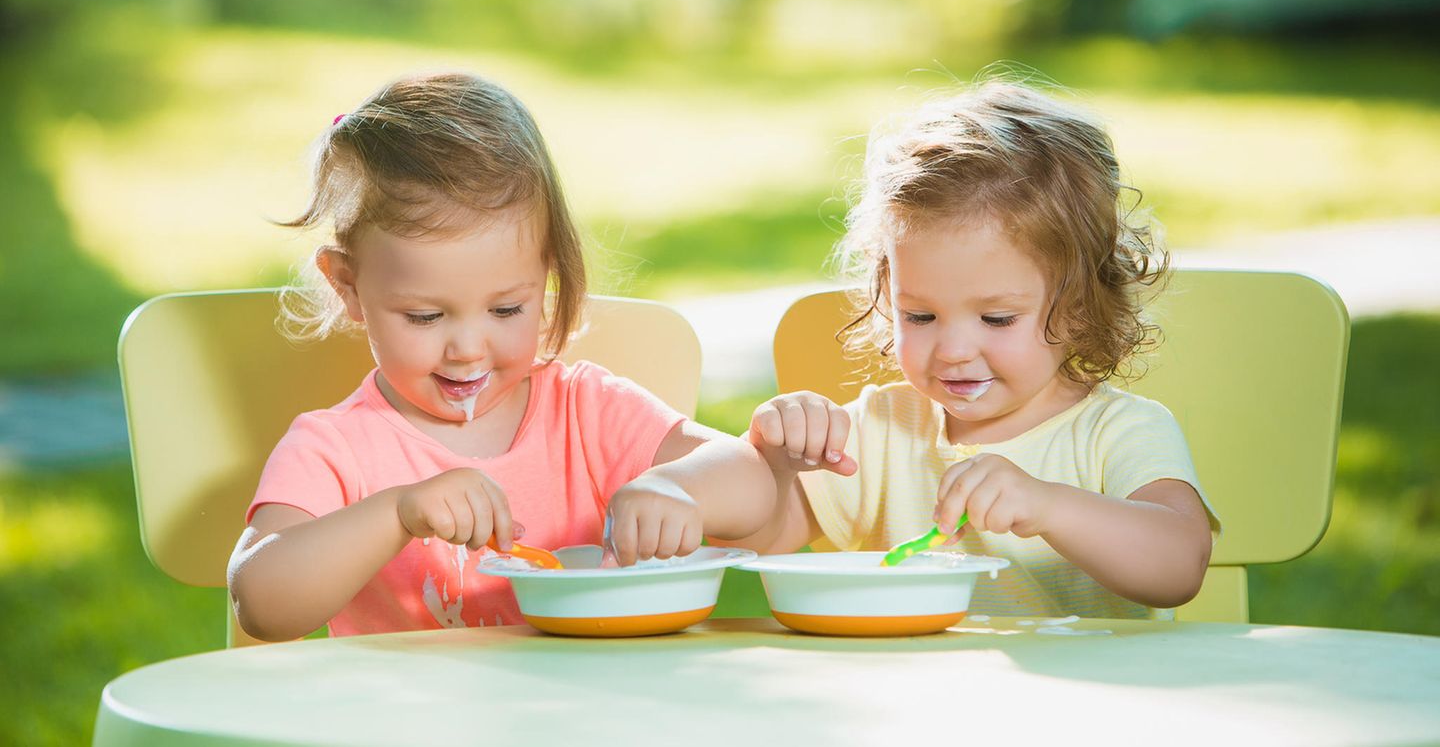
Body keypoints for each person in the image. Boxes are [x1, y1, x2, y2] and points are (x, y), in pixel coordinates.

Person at [227, 72, 774, 640]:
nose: (467, 349)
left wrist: (677, 488)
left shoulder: (586, 412)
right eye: (425, 317)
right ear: (348, 286)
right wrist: (395, 514)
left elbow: (754, 485)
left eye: (507, 310)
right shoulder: (335, 448)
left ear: (547, 277)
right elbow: (262, 604)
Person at [731, 80, 1220, 619]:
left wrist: (1049, 505)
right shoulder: (882, 430)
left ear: (1080, 305)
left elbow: (1179, 565)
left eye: (996, 318)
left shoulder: (1118, 432)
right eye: (920, 315)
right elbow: (763, 534)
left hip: (1083, 700)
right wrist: (773, 465)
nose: (954, 350)